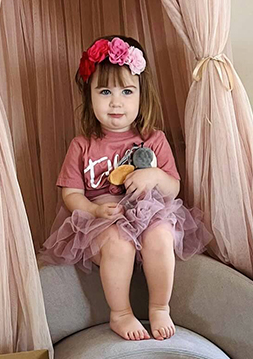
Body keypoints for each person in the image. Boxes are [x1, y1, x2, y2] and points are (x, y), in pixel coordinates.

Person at [40, 35, 211, 342]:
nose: (115, 101)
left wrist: (154, 175)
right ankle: (120, 313)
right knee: (119, 244)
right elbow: (70, 195)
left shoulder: (153, 139)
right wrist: (93, 209)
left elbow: (173, 188)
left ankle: (160, 306)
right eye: (104, 91)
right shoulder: (82, 145)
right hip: (102, 221)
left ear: (141, 96)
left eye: (127, 91)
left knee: (160, 235)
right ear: (89, 96)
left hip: (148, 214)